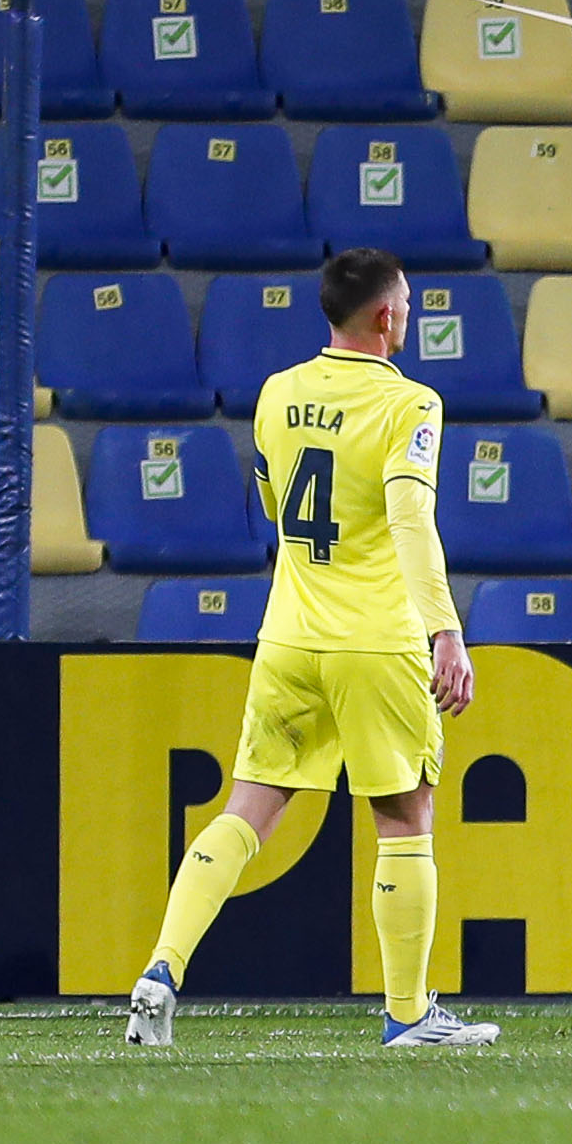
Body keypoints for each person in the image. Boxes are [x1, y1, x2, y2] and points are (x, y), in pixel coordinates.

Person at [125, 248, 492, 1048]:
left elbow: (270, 498)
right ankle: (406, 1016)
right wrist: (446, 629)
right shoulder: (411, 405)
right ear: (388, 317)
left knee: (245, 811)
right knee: (404, 817)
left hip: (288, 634)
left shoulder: (277, 392)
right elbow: (408, 521)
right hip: (377, 640)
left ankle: (161, 969)